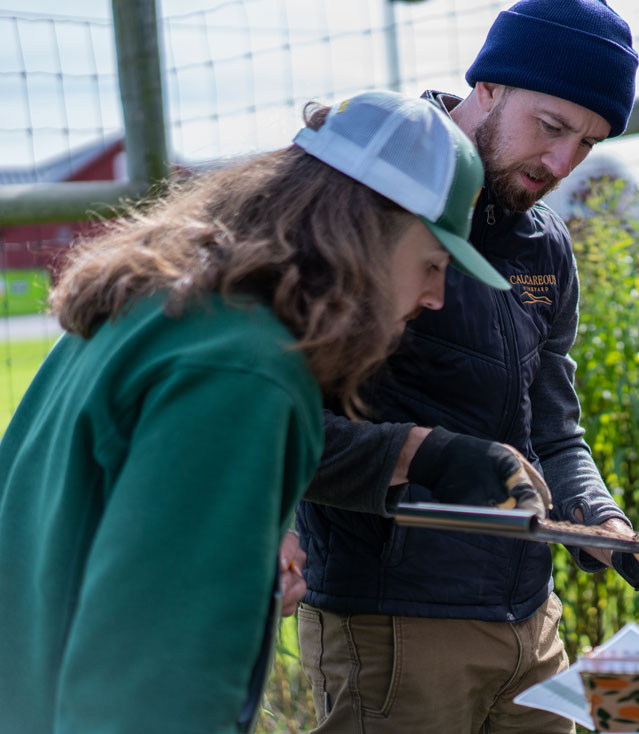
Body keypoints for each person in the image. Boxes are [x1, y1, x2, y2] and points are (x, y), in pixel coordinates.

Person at [0, 89, 509, 734]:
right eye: (433, 264)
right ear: (367, 231)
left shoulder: (154, 306)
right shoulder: (244, 372)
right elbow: (159, 686)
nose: (436, 296)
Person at [293, 1, 639, 732]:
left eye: (588, 143)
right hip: (394, 625)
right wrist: (431, 458)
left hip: (531, 620)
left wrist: (607, 529)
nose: (560, 164)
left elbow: (553, 425)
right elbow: (280, 429)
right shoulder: (361, 198)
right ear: (485, 86)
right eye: (551, 126)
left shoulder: (546, 244)